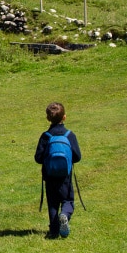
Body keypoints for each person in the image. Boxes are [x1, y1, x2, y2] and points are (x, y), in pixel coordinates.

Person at [34, 101, 82, 239]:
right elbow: (77, 156)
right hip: (65, 177)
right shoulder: (69, 135)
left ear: (48, 118)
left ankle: (54, 231)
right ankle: (65, 215)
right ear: (64, 117)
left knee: (53, 203)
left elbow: (38, 158)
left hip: (49, 176)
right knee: (68, 200)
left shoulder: (46, 136)